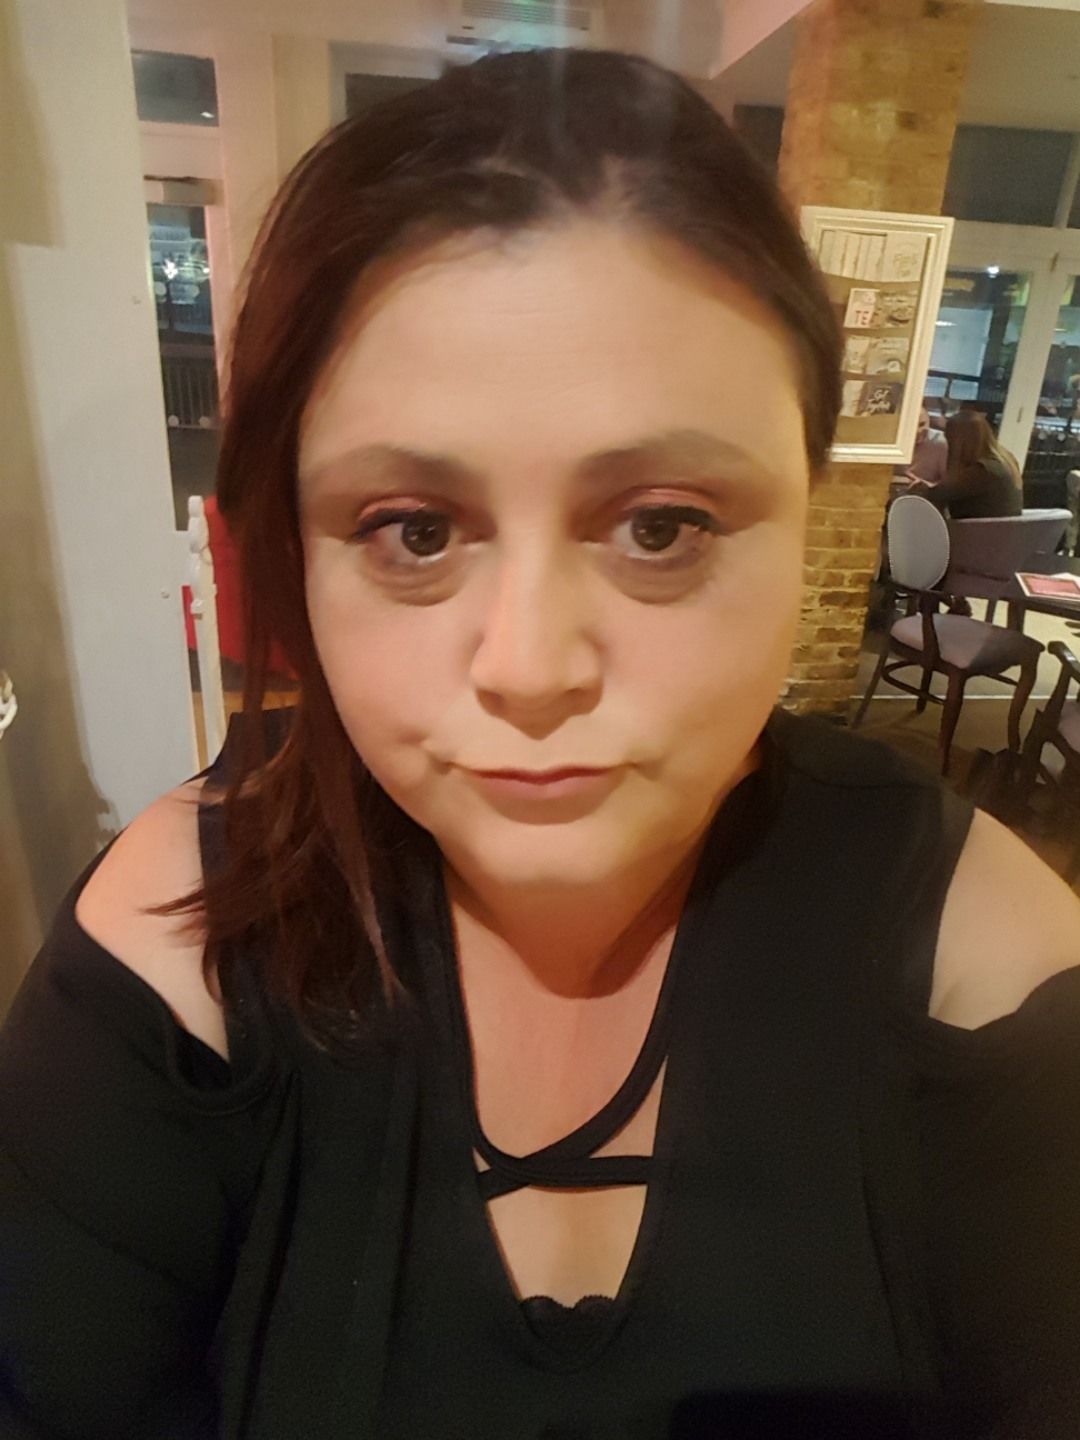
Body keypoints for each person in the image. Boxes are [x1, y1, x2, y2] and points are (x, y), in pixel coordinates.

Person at [2, 50, 1079, 1440]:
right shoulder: (183, 948)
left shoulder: (977, 964)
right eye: (414, 531)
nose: (528, 670)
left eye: (661, 526)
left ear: (807, 516)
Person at [909, 409, 1023, 519]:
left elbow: (936, 495)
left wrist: (919, 487)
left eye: (949, 440)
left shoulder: (982, 471)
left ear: (958, 443)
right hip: (1001, 530)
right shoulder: (1006, 460)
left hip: (974, 530)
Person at [895, 406, 947, 488]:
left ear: (929, 421)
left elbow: (946, 484)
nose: (917, 431)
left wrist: (926, 485)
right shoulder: (892, 442)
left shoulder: (939, 443)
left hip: (925, 492)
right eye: (911, 426)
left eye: (922, 424)